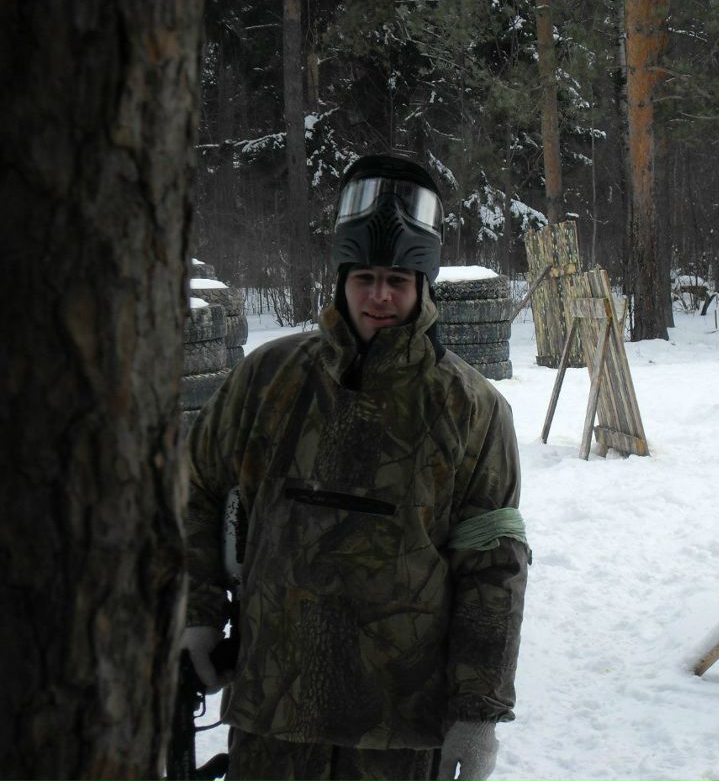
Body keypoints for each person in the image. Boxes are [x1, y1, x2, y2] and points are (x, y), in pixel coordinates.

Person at [181, 154, 529, 781]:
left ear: (423, 285)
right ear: (340, 278)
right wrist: (198, 613)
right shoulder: (269, 379)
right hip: (271, 716)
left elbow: (493, 568)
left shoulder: (473, 408)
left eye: (398, 279)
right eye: (364, 276)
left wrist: (477, 713)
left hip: (398, 731)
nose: (379, 295)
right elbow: (195, 490)